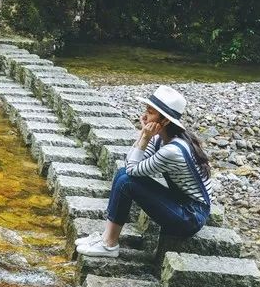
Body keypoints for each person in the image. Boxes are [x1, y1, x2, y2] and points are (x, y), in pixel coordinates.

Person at [76, 85, 212, 258]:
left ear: (165, 121)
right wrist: (144, 135)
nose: (144, 115)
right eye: (146, 109)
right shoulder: (161, 140)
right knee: (122, 174)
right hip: (181, 203)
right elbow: (130, 163)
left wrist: (145, 136)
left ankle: (109, 244)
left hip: (190, 217)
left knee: (126, 181)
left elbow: (132, 169)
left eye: (150, 112)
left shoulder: (173, 151)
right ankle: (106, 238)